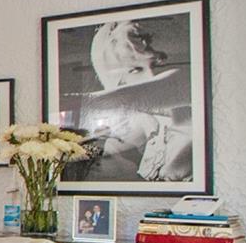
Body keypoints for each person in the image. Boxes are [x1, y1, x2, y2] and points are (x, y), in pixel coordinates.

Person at [75, 20, 193, 183]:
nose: (151, 76)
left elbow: (135, 97)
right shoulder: (148, 125)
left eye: (157, 62)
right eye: (135, 70)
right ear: (119, 82)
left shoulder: (185, 82)